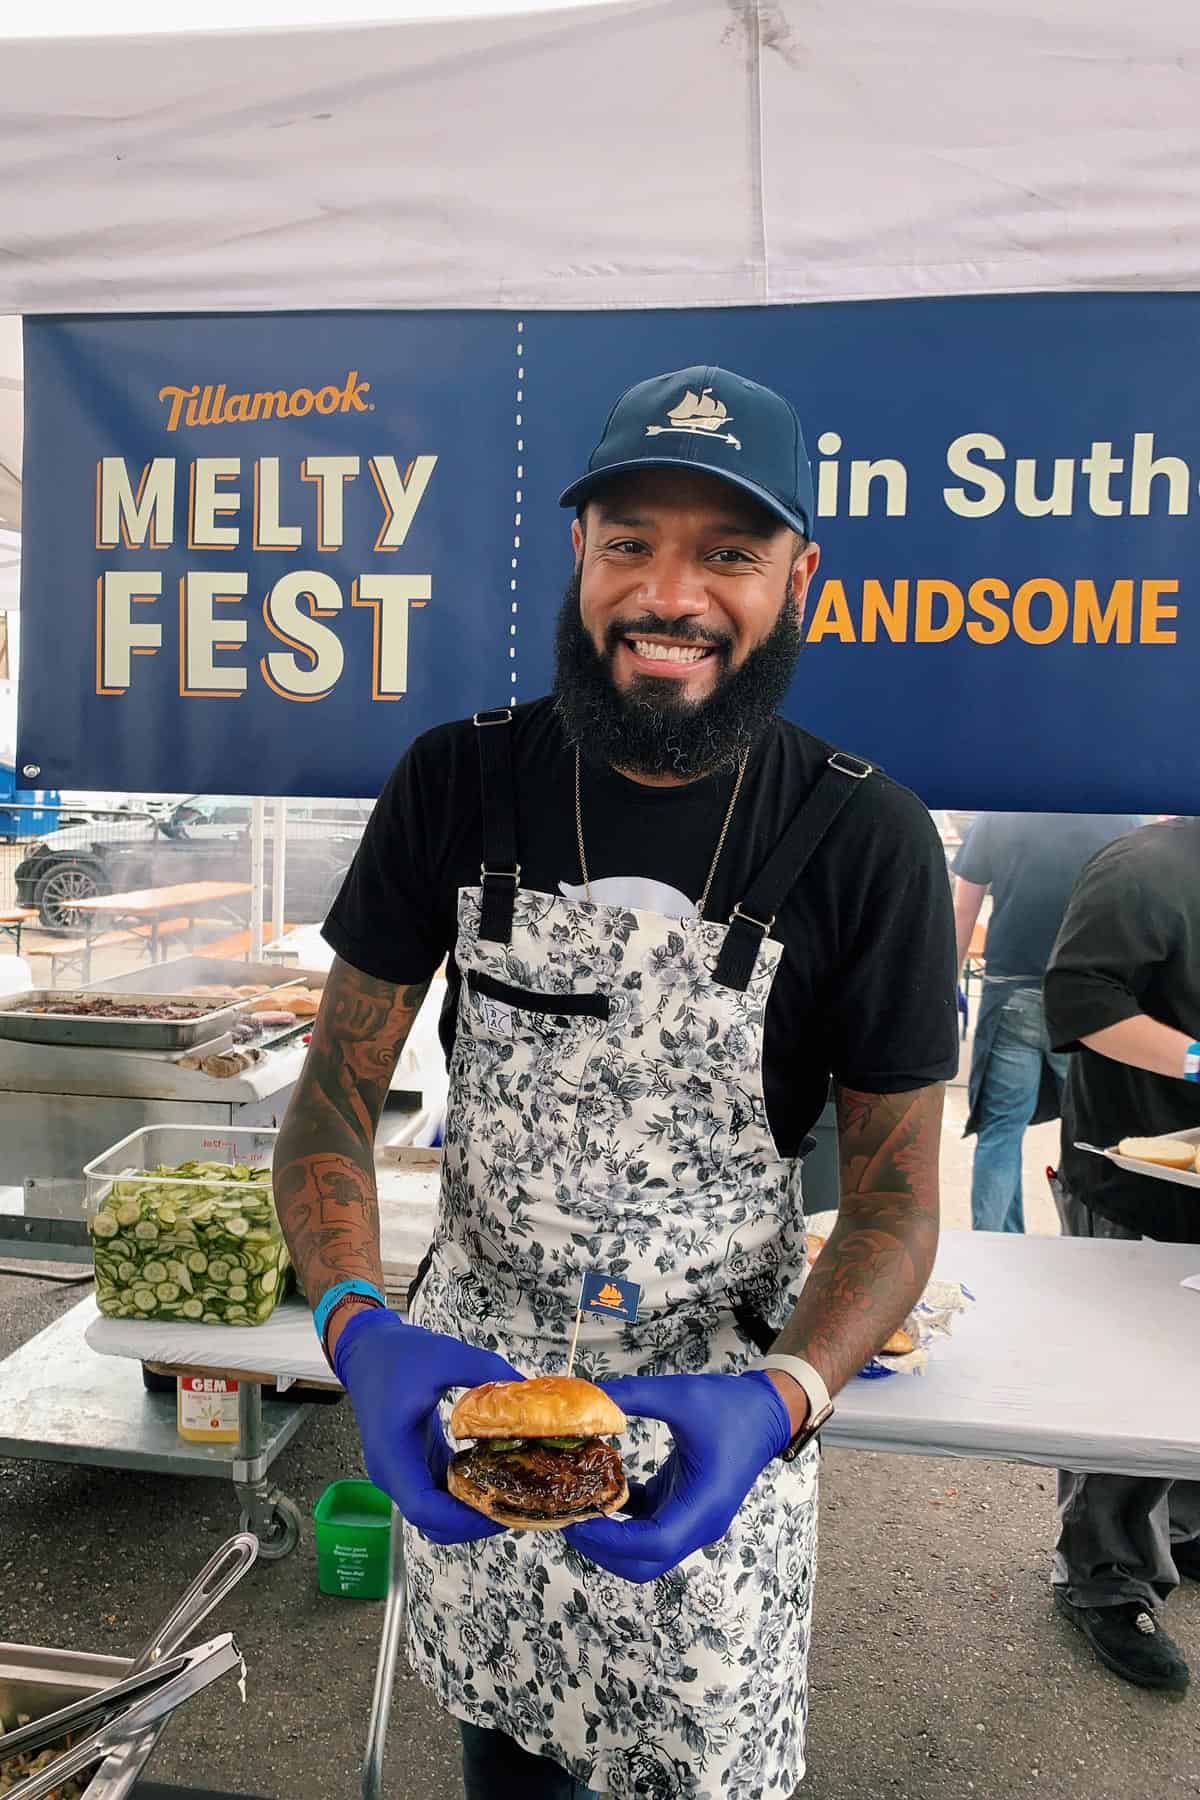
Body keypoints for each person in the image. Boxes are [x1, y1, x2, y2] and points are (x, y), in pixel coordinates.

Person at [274, 365, 958, 1798]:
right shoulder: (455, 783)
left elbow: (897, 1198)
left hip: (718, 1417)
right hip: (472, 1392)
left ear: (800, 576)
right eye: (632, 540)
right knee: (507, 1766)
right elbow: (335, 1096)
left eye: (729, 551)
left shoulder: (866, 836)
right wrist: (356, 1324)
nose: (672, 597)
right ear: (580, 553)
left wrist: (784, 1394)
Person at [1044, 815, 1200, 1698]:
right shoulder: (1147, 863)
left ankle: (1182, 1523)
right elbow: (1083, 998)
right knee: (1122, 1382)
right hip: (1132, 1174)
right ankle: (1104, 1574)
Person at [952, 813, 1140, 1232]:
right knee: (1088, 1137)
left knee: (1001, 1130)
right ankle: (1086, 1247)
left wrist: (945, 992)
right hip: (1089, 1002)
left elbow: (963, 913)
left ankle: (996, 1246)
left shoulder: (999, 817)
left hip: (1012, 993)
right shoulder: (1122, 819)